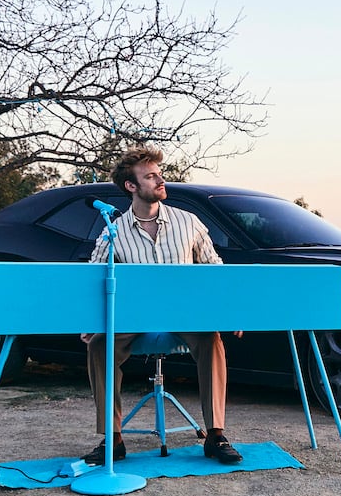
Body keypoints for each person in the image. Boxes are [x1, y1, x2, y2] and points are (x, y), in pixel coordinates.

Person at [80, 145, 243, 466]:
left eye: (159, 174)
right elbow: (93, 279)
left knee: (211, 338)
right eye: (150, 176)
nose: (160, 180)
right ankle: (113, 439)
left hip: (184, 316)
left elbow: (215, 271)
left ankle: (215, 435)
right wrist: (89, 322)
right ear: (131, 186)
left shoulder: (189, 222)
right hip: (135, 318)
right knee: (99, 344)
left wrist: (229, 311)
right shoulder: (113, 232)